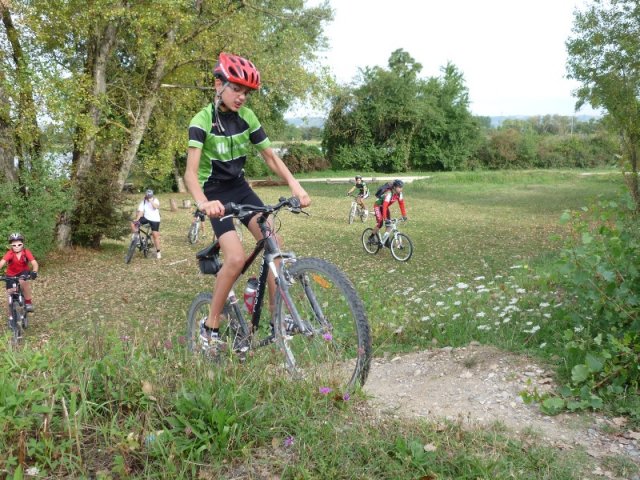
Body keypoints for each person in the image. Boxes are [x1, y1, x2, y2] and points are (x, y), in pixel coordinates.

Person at [184, 52, 310, 351]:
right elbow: (190, 174)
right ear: (218, 85)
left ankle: (279, 318)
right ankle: (210, 325)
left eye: (246, 92)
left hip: (240, 188)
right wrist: (203, 202)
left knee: (273, 243)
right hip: (214, 192)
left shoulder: (247, 118)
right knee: (236, 258)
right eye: (236, 89)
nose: (241, 97)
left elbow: (270, 157)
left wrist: (296, 186)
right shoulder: (202, 121)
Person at [0, 233, 39, 315]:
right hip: (11, 274)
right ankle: (11, 316)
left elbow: (34, 263)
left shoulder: (26, 252)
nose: (17, 246)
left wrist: (34, 272)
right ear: (11, 245)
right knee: (10, 292)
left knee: (23, 281)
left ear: (23, 244)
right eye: (14, 245)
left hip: (23, 272)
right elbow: (1, 263)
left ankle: (28, 302)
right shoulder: (10, 253)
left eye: (19, 244)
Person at [369, 179, 408, 244]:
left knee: (389, 224)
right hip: (378, 206)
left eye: (402, 187)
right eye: (399, 187)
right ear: (395, 187)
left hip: (385, 207)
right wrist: (385, 218)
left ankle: (386, 241)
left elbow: (401, 205)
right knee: (380, 223)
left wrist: (404, 215)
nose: (401, 189)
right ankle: (371, 237)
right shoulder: (389, 193)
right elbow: (384, 206)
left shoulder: (399, 194)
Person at [131, 189, 162, 259]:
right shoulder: (143, 202)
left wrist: (151, 201)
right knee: (133, 223)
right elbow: (141, 212)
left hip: (155, 220)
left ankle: (158, 251)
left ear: (152, 195)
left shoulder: (155, 200)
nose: (148, 197)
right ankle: (137, 238)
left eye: (150, 196)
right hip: (146, 218)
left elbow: (156, 207)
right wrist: (137, 219)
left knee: (155, 235)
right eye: (147, 196)